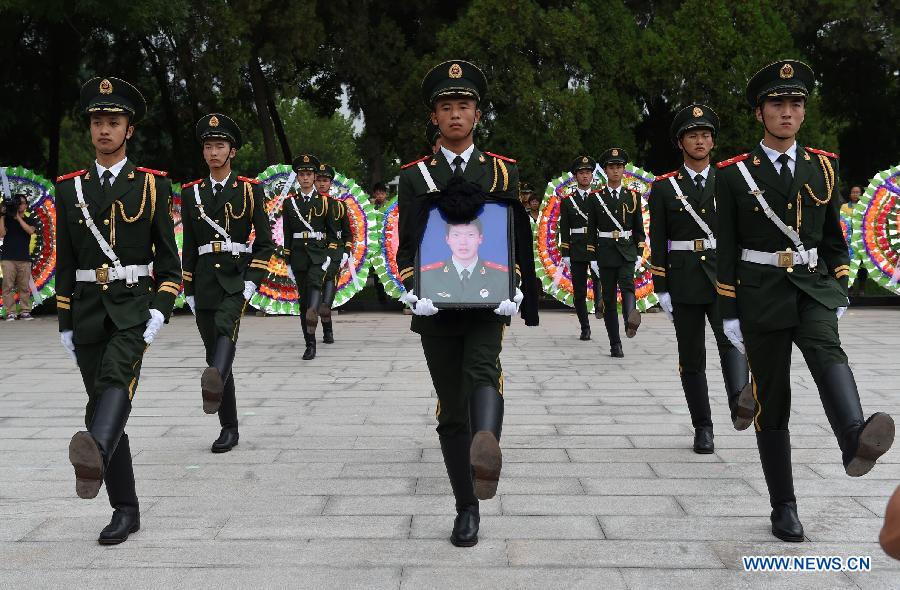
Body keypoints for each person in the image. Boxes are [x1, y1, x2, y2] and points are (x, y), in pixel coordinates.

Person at [716, 60, 894, 542]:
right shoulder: (733, 175)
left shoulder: (824, 166)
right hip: (759, 294)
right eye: (778, 104)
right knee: (773, 401)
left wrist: (838, 286)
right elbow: (725, 249)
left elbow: (835, 236)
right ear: (760, 113)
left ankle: (854, 437)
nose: (788, 112)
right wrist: (729, 312)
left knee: (828, 351)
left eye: (795, 103)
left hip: (813, 286)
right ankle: (784, 506)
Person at [396, 60, 539, 547]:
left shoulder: (502, 170)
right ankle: (466, 503)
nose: (455, 114)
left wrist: (514, 285)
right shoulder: (415, 176)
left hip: (484, 302)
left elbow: (513, 237)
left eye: (464, 106)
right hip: (437, 306)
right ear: (434, 117)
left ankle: (488, 446)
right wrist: (414, 288)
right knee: (450, 411)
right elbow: (408, 242)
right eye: (446, 107)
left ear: (477, 114)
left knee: (483, 368)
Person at [55, 76, 181, 544]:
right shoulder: (69, 190)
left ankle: (97, 457)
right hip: (87, 310)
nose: (104, 130)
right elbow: (66, 263)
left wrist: (160, 309)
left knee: (114, 384)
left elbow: (170, 260)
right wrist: (65, 322)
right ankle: (124, 507)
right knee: (105, 406)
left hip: (131, 309)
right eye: (97, 122)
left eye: (114, 122)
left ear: (129, 129)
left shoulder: (152, 186)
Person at [649, 104, 753, 454]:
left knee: (732, 341)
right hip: (685, 281)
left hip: (724, 276)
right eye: (693, 135)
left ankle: (740, 401)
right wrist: (661, 286)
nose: (700, 140)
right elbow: (657, 239)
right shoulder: (664, 188)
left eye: (706, 134)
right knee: (692, 356)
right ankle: (703, 427)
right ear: (681, 142)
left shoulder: (730, 180)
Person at [180, 113, 274, 453]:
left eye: (220, 145)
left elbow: (265, 242)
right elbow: (189, 246)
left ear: (231, 151)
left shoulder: (249, 190)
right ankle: (228, 426)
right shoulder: (192, 193)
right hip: (204, 281)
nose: (214, 152)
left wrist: (252, 282)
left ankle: (216, 388)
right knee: (216, 354)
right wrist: (187, 288)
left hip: (236, 280)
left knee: (225, 331)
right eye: (208, 146)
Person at [282, 154, 338, 360]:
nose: (305, 178)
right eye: (302, 174)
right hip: (298, 256)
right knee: (303, 301)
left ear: (315, 177)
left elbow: (333, 234)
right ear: (297, 178)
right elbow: (287, 234)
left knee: (315, 287)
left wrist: (331, 257)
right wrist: (287, 260)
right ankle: (309, 341)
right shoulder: (290, 204)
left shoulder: (325, 202)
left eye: (309, 174)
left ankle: (313, 319)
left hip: (319, 256)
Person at [592, 148, 644, 357]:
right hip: (605, 252)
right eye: (612, 167)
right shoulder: (596, 198)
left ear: (624, 170)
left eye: (619, 167)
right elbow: (591, 230)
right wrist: (592, 257)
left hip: (626, 251)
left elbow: (639, 228)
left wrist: (639, 252)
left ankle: (630, 320)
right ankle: (615, 343)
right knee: (609, 300)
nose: (616, 171)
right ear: (605, 170)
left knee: (628, 284)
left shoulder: (632, 197)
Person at [419, 218, 510, 303]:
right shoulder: (427, 276)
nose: (463, 242)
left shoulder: (500, 276)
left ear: (480, 239)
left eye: (470, 235)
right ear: (447, 239)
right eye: (456, 235)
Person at [559, 156, 598, 340]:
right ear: (575, 176)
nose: (585, 176)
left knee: (602, 285)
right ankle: (585, 326)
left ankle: (600, 307)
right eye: (581, 173)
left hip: (597, 248)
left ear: (592, 175)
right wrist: (565, 252)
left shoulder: (599, 197)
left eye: (588, 172)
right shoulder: (568, 201)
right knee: (580, 291)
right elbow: (564, 229)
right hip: (577, 249)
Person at [317, 163, 351, 343]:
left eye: (325, 180)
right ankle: (316, 331)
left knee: (327, 296)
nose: (322, 184)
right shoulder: (306, 204)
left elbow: (348, 233)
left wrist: (346, 251)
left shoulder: (339, 206)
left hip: (334, 255)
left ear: (331, 183)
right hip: (314, 253)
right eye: (319, 180)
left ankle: (327, 330)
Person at [0, 194, 37, 320]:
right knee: (7, 287)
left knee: (24, 287)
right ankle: (11, 312)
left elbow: (30, 231)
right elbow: (1, 234)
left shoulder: (30, 219)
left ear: (26, 205)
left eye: (22, 203)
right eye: (18, 203)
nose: (20, 205)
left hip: (24, 259)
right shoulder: (7, 220)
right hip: (8, 258)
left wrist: (18, 218)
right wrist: (2, 216)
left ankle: (25, 311)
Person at [840, 186, 868, 296]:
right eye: (853, 192)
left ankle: (862, 289)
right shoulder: (844, 207)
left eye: (857, 192)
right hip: (849, 242)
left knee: (862, 265)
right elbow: (841, 223)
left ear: (861, 194)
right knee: (849, 265)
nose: (855, 194)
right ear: (850, 194)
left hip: (861, 242)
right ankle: (850, 288)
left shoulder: (865, 207)